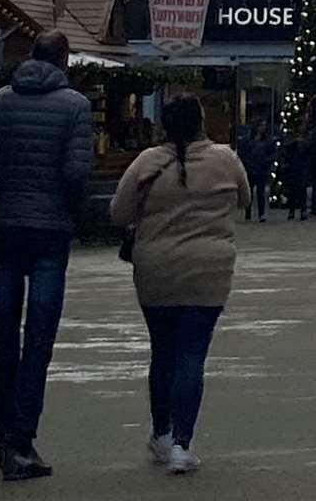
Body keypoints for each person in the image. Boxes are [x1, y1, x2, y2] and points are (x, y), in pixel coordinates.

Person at [0, 30, 95, 481]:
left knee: (3, 329)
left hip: (7, 225)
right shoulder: (76, 106)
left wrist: (1, 198)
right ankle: (21, 440)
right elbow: (78, 170)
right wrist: (67, 208)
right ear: (63, 59)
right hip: (50, 229)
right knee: (38, 336)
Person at [110, 96, 247, 476]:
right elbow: (245, 199)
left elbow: (118, 213)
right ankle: (183, 446)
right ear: (202, 121)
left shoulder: (147, 162)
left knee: (163, 352)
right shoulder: (226, 159)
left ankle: (161, 432)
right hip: (209, 269)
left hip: (156, 269)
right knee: (192, 355)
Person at [238, 116, 277, 223]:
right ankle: (248, 212)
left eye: (264, 125)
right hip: (251, 167)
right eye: (261, 125)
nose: (263, 128)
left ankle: (261, 213)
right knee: (249, 191)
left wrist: (267, 161)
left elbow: (272, 154)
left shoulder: (268, 140)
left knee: (260, 192)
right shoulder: (248, 140)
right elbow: (243, 153)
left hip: (261, 168)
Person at [280, 135, 310, 221]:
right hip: (293, 169)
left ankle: (300, 210)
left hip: (299, 169)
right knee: (293, 191)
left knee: (300, 191)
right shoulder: (291, 147)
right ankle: (293, 211)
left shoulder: (303, 146)